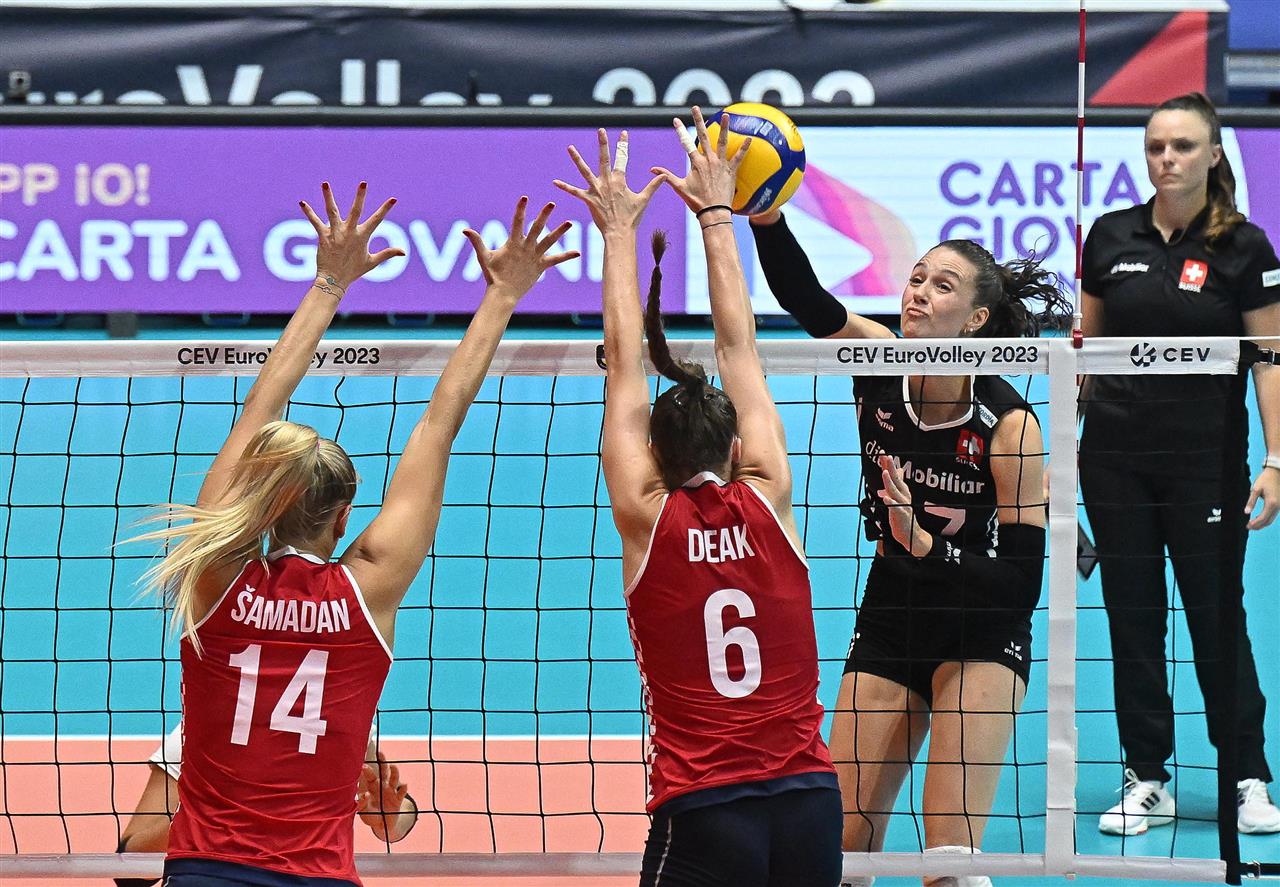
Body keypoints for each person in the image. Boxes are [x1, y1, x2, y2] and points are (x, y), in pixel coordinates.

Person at [131, 182, 578, 886]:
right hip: (319, 876)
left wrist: (329, 282)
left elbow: (259, 407)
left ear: (261, 501)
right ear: (346, 516)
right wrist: (502, 295)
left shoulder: (215, 579)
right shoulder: (366, 593)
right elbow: (439, 424)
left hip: (208, 872)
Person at [748, 175, 1071, 886]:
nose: (918, 293)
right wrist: (767, 219)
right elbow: (810, 303)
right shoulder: (880, 362)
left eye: (942, 286)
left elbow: (1020, 586)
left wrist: (926, 543)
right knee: (835, 851)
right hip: (894, 611)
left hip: (983, 628)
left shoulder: (1010, 426)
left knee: (947, 864)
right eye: (917, 277)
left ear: (977, 320)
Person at [554, 114, 843, 885]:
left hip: (708, 809)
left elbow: (624, 367)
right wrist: (717, 212)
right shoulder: (770, 493)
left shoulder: (646, 516)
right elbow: (738, 345)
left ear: (654, 457)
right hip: (811, 802)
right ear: (738, 449)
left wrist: (619, 231)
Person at [1078, 91, 1280, 836]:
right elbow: (1087, 359)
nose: (1167, 159)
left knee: (1216, 615)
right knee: (1132, 619)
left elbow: (1271, 359)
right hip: (1113, 461)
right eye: (1156, 146)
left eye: (1183, 146)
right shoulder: (1109, 237)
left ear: (1215, 154)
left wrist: (1277, 460)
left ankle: (1247, 774)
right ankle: (1148, 776)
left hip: (1206, 462)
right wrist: (1058, 460)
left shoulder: (1246, 248)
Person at [114, 723, 418, 887]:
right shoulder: (201, 727)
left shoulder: (343, 721)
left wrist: (387, 819)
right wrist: (203, 814)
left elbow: (401, 812)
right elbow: (129, 869)